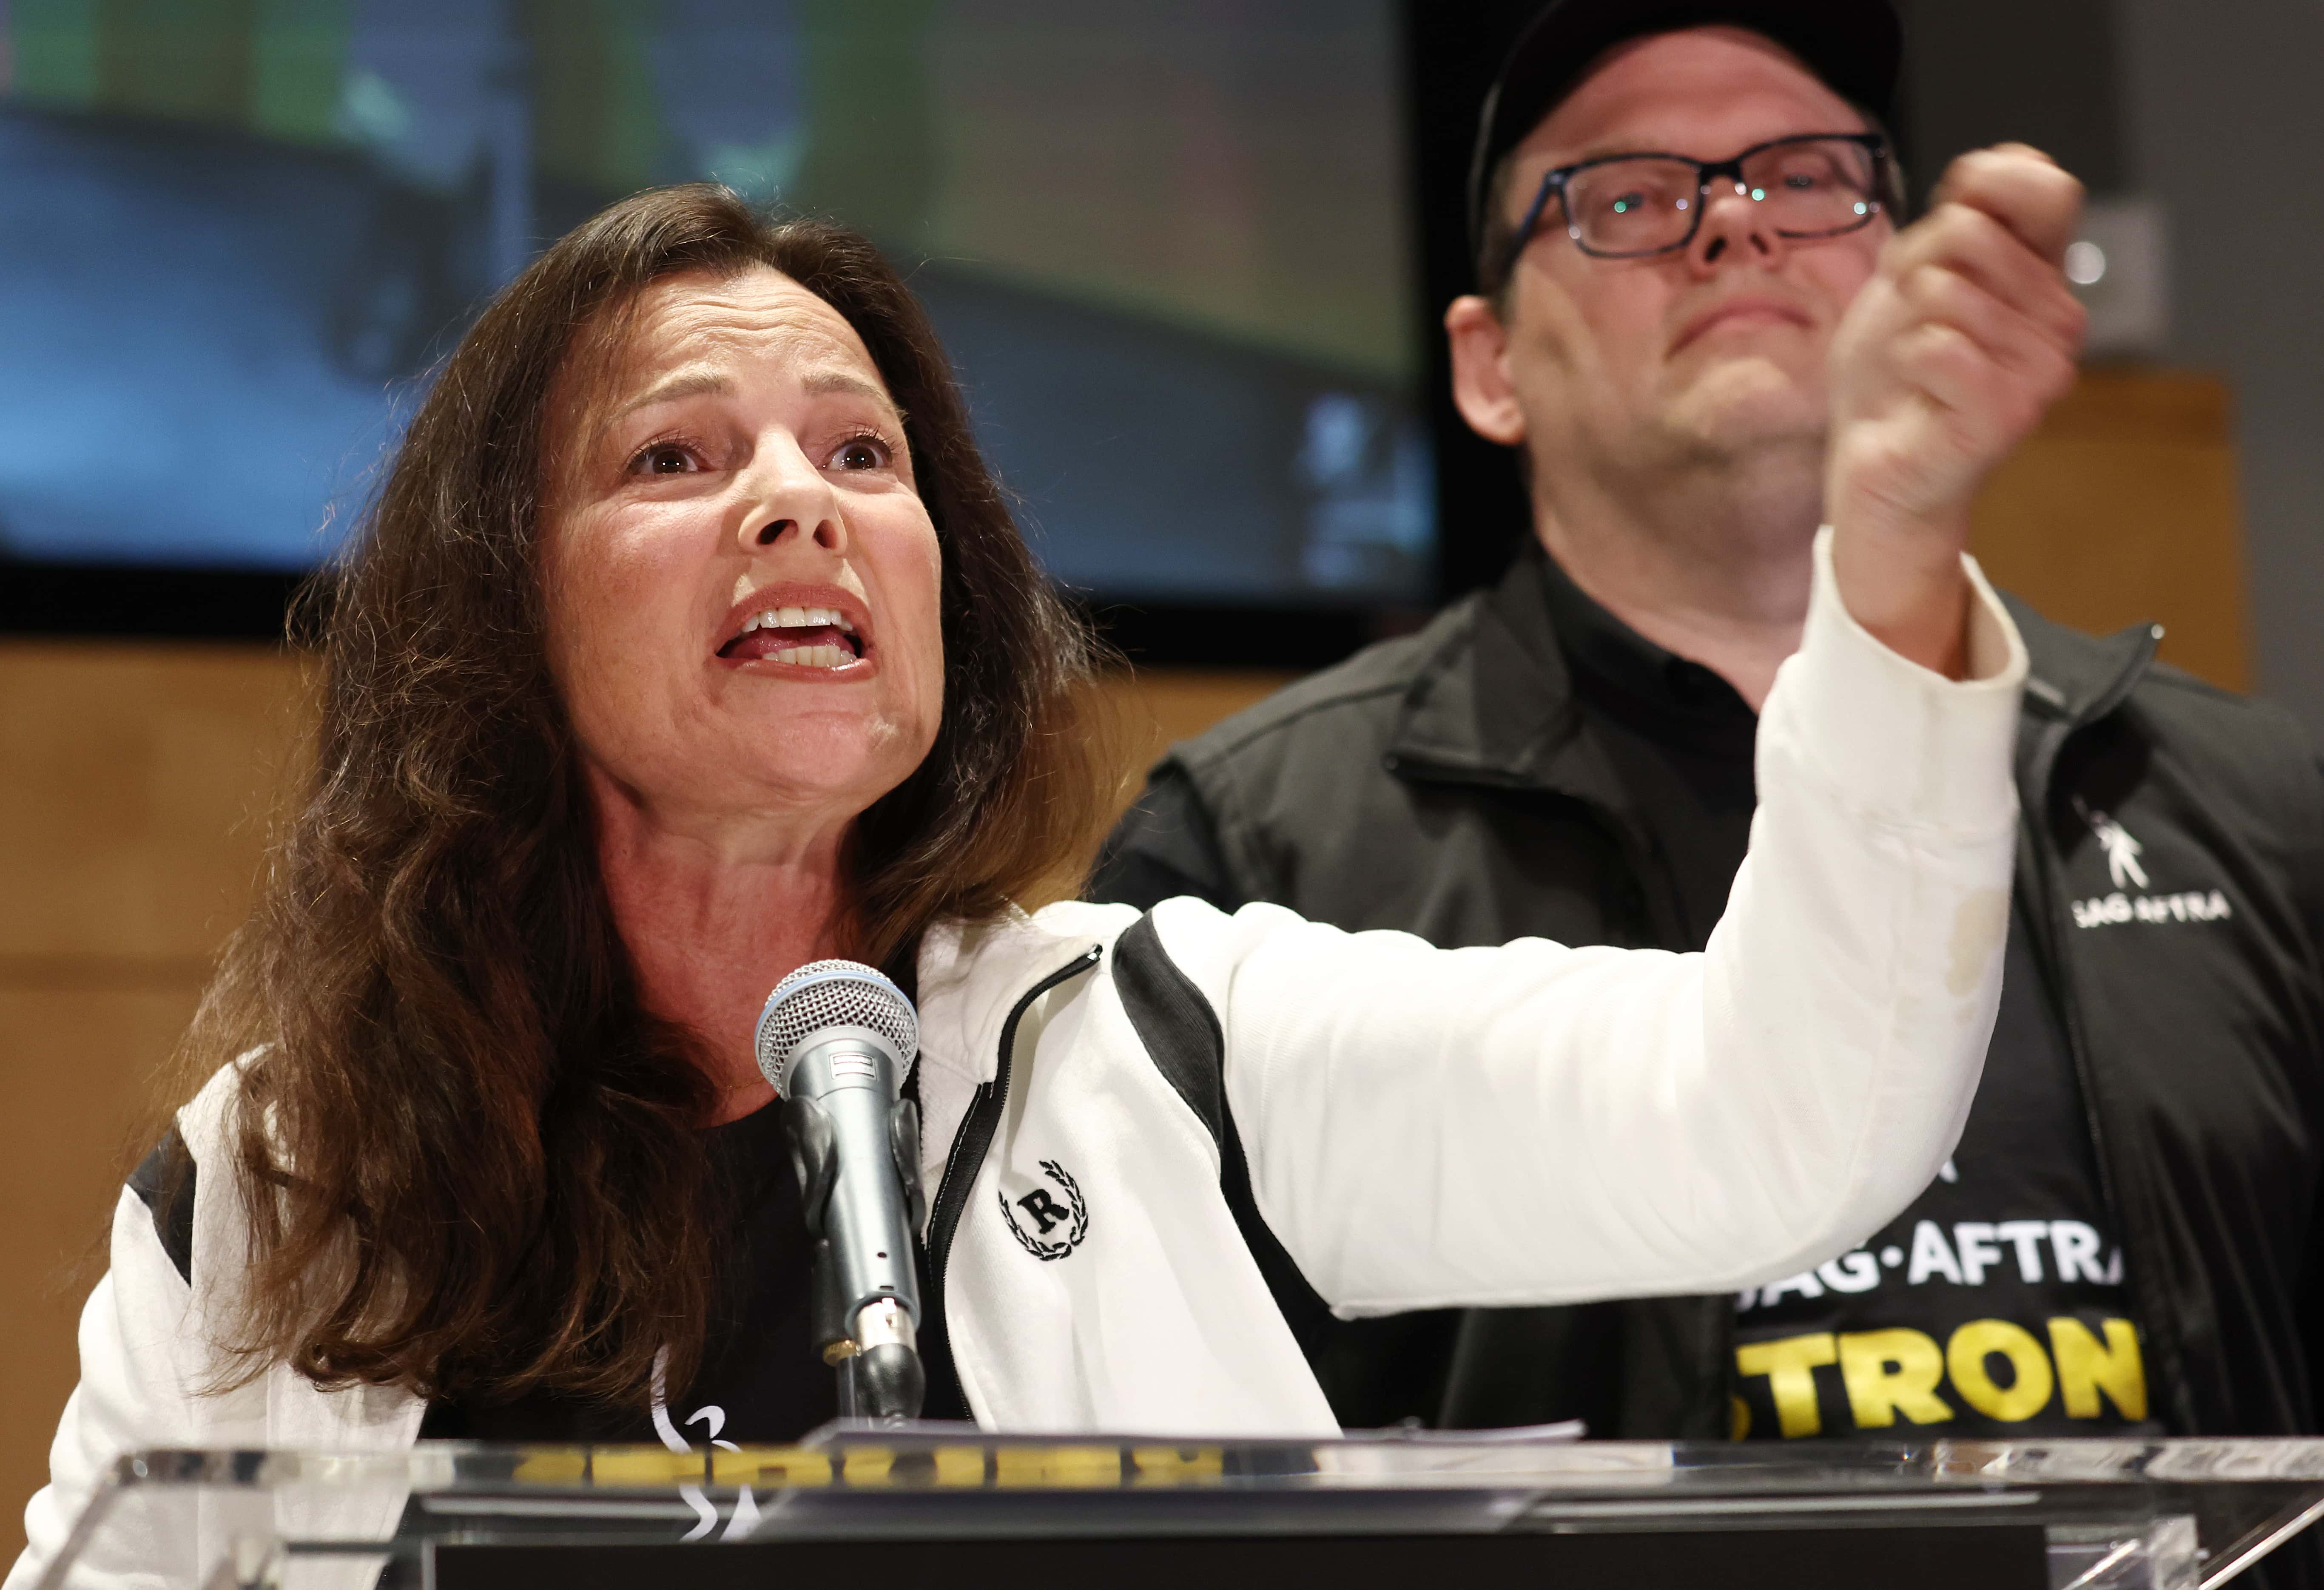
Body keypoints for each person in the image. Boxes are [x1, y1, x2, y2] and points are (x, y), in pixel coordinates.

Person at [14, 177, 2031, 1581]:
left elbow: (1786, 1113)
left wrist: (1888, 557)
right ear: (492, 613)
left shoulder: (1166, 1047)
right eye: (674, 459)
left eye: (861, 457)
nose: (799, 498)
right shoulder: (274, 1198)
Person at [1096, 0, 2324, 1450]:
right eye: (1627, 197)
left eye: (1804, 178)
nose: (1734, 228)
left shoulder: (2247, 800)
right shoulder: (1257, 850)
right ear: (1490, 365)